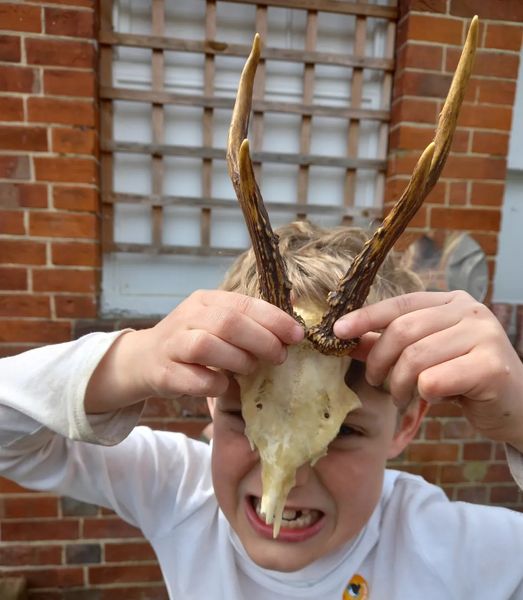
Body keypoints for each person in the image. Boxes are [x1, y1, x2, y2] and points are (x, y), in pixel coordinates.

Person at [1, 221, 523, 600]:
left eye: (341, 431)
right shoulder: (181, 490)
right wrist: (131, 359)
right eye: (245, 418)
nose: (289, 476)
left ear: (405, 424)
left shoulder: (447, 547)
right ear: (211, 400)